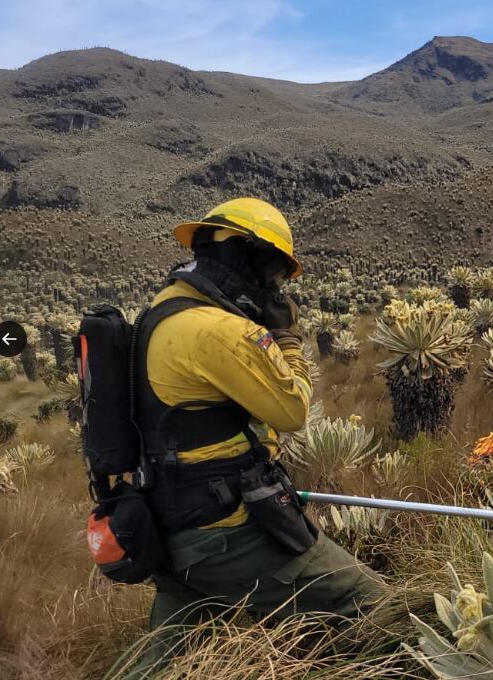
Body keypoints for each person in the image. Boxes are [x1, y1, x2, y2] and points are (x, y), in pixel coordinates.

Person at [133, 198, 385, 671]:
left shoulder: (159, 314)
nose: (275, 285)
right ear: (243, 255)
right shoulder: (218, 330)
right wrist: (285, 336)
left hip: (171, 526)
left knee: (167, 663)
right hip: (226, 533)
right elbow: (291, 409)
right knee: (376, 607)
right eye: (273, 270)